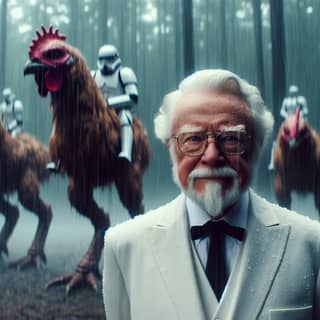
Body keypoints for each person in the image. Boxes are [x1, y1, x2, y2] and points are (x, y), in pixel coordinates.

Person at [103, 69, 320, 320]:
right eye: (193, 139)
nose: (211, 156)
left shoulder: (312, 245)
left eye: (231, 138)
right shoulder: (123, 247)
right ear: (170, 147)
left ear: (257, 144)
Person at [92, 44, 138, 163]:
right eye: (102, 60)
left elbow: (132, 97)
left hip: (118, 110)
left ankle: (126, 152)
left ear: (116, 58)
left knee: (125, 117)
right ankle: (62, 158)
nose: (105, 64)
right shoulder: (93, 75)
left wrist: (108, 103)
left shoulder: (124, 73)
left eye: (109, 59)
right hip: (97, 112)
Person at [268, 84, 308, 170]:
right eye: (292, 93)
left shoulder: (301, 100)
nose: (293, 94)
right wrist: (286, 115)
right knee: (276, 142)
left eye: (294, 93)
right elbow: (282, 110)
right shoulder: (286, 100)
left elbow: (305, 110)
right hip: (288, 121)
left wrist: (299, 115)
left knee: (306, 137)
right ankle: (272, 162)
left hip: (299, 121)